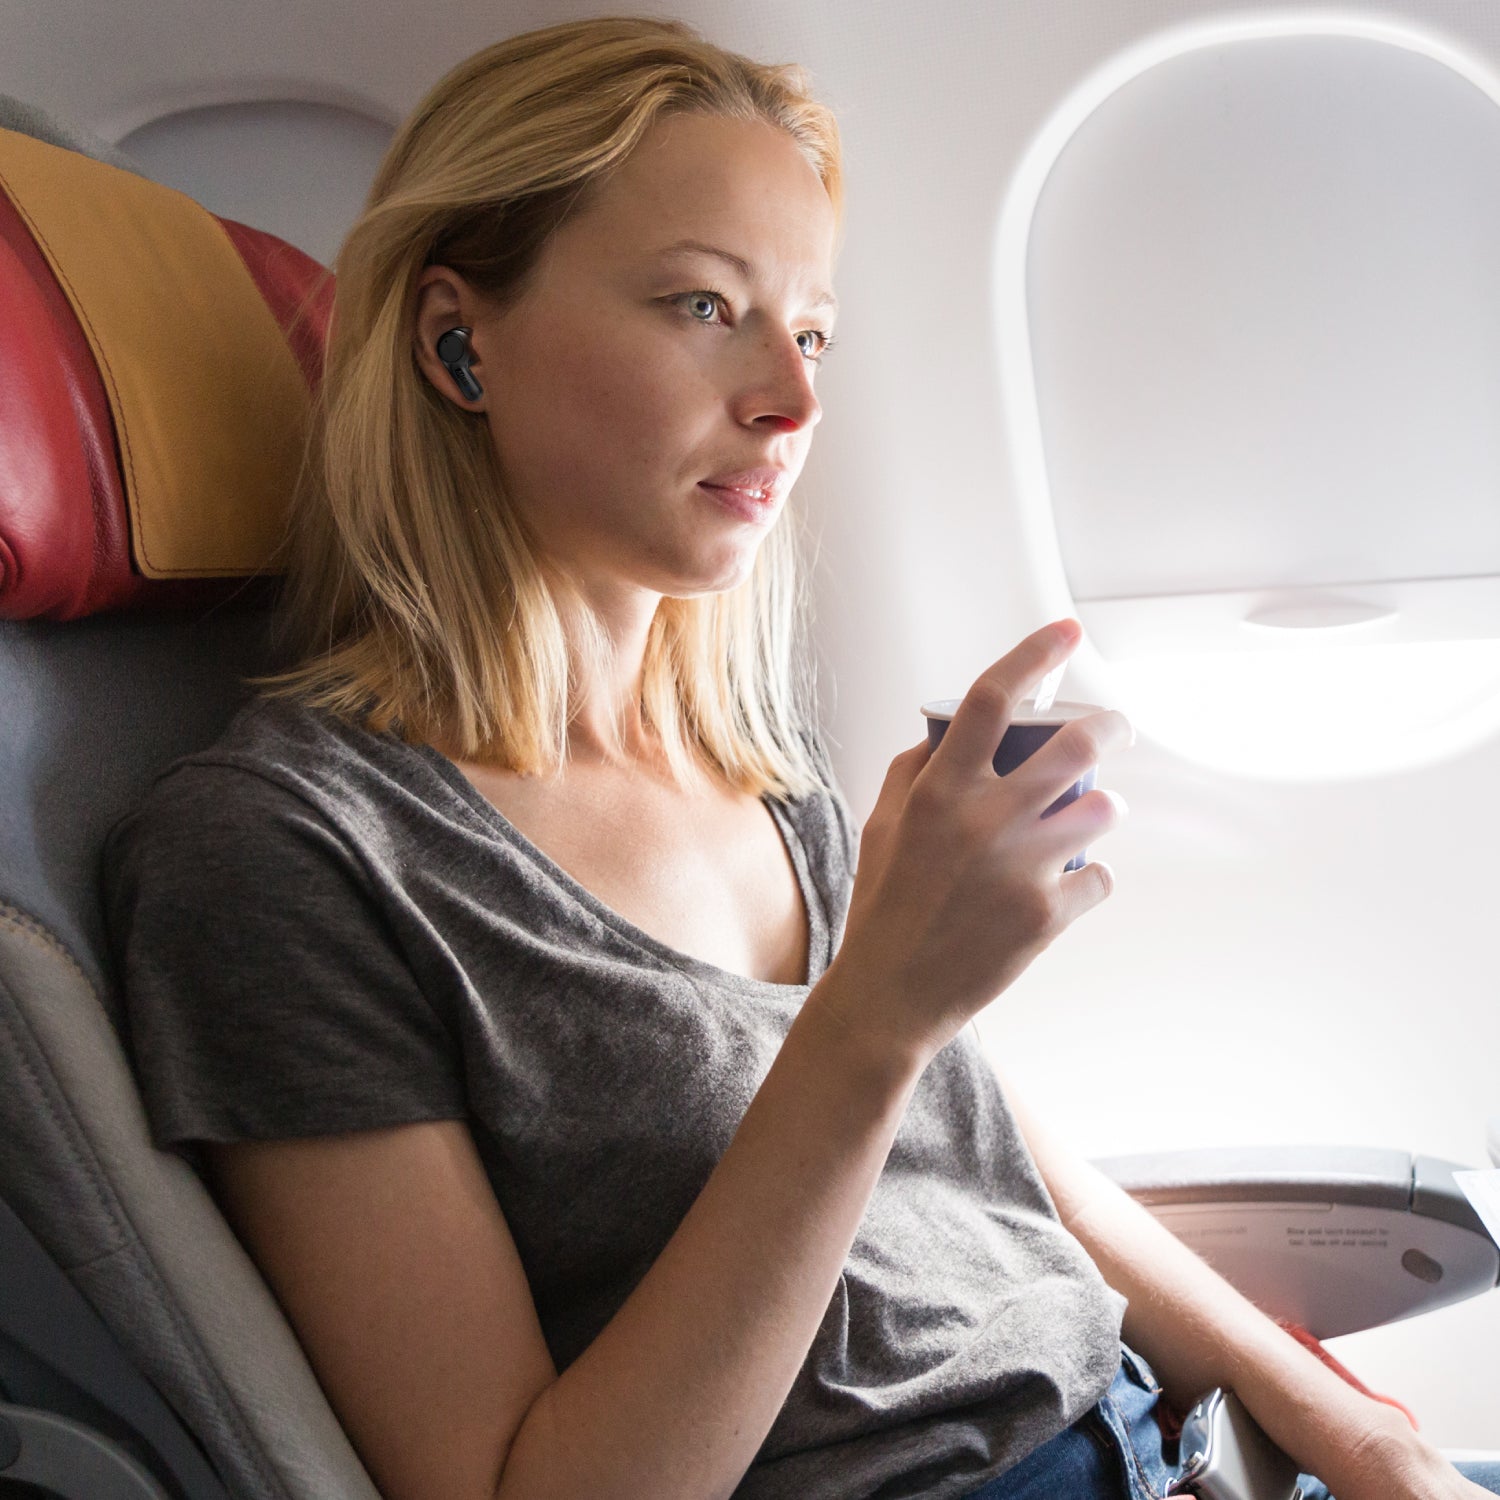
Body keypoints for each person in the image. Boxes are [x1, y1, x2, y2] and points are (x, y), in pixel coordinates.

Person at [103, 17, 1499, 1500]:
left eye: (811, 329)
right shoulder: (283, 859)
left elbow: (1012, 1180)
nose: (793, 398)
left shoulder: (753, 770)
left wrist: (1361, 1435)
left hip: (1160, 1449)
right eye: (705, 307)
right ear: (461, 342)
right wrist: (875, 1015)